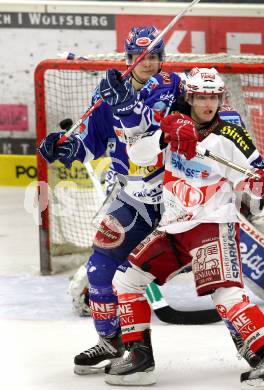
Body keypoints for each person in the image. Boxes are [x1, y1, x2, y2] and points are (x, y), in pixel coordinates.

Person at [104, 67, 264, 389]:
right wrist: (164, 135)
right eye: (202, 97)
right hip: (174, 227)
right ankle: (139, 358)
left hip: (212, 225)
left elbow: (254, 188)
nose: (209, 104)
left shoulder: (231, 136)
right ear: (189, 97)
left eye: (214, 97)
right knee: (126, 280)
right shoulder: (172, 121)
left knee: (227, 294)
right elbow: (137, 153)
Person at [38, 26, 179, 375]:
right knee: (100, 269)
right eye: (140, 57)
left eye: (154, 56)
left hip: (179, 199)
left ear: (162, 58)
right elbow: (91, 139)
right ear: (129, 59)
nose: (148, 63)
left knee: (216, 283)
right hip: (134, 200)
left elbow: (151, 137)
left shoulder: (174, 87)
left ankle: (259, 348)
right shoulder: (107, 92)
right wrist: (68, 148)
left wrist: (128, 105)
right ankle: (112, 342)